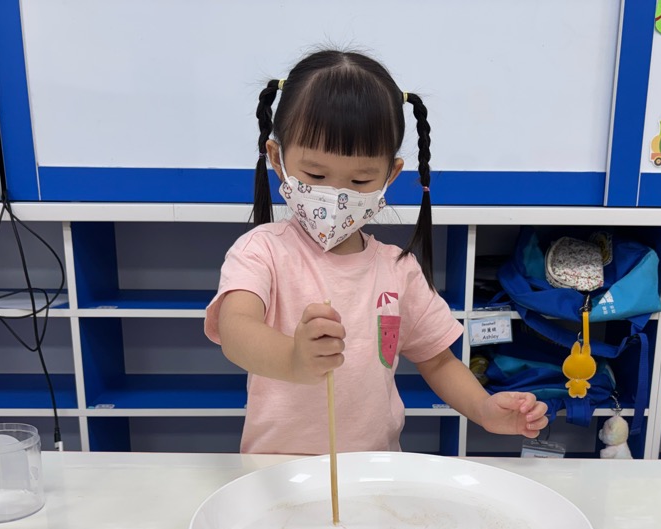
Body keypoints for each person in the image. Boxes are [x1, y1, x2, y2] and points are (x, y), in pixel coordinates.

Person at [205, 49, 548, 454]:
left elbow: (438, 361)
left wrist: (484, 409)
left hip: (373, 471)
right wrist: (293, 358)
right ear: (278, 159)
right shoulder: (261, 251)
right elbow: (236, 330)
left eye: (360, 180)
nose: (337, 194)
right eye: (316, 174)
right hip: (277, 470)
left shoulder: (397, 269)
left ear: (390, 174)